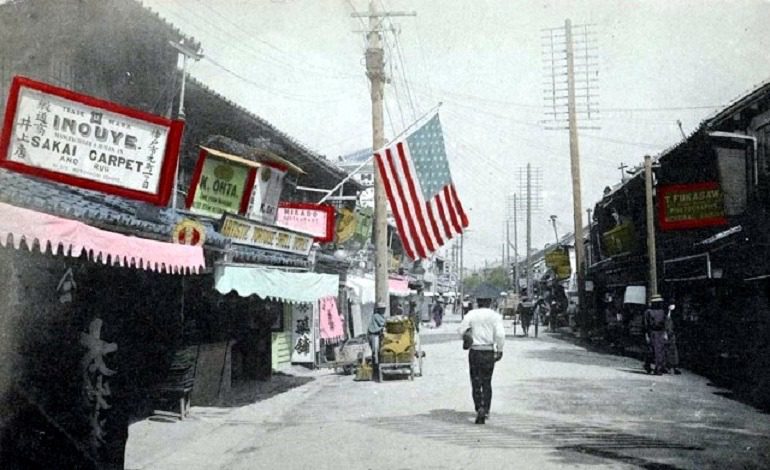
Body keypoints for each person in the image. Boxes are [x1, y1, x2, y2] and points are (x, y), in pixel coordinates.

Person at [457, 296, 505, 424]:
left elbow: (461, 330)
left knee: (476, 381)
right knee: (487, 382)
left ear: (477, 302)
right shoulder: (495, 316)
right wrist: (499, 349)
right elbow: (500, 335)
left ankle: (479, 407)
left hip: (475, 352)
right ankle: (486, 408)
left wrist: (467, 336)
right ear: (490, 302)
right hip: (488, 351)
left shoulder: (471, 314)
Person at [643, 295, 668, 375]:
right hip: (652, 332)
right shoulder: (648, 312)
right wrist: (646, 335)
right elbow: (645, 324)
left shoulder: (662, 312)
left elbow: (664, 323)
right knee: (651, 350)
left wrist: (665, 333)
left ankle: (658, 368)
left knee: (659, 351)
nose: (658, 304)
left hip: (660, 333)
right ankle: (648, 365)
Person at [367, 306, 386, 370]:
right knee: (375, 350)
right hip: (373, 334)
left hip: (376, 334)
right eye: (382, 309)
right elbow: (382, 323)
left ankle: (376, 365)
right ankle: (376, 366)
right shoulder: (376, 316)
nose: (384, 310)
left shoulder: (380, 316)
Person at [665, 303, 681, 375]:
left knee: (672, 349)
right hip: (669, 333)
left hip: (672, 334)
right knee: (669, 349)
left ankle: (673, 366)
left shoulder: (673, 317)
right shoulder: (667, 316)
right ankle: (670, 366)